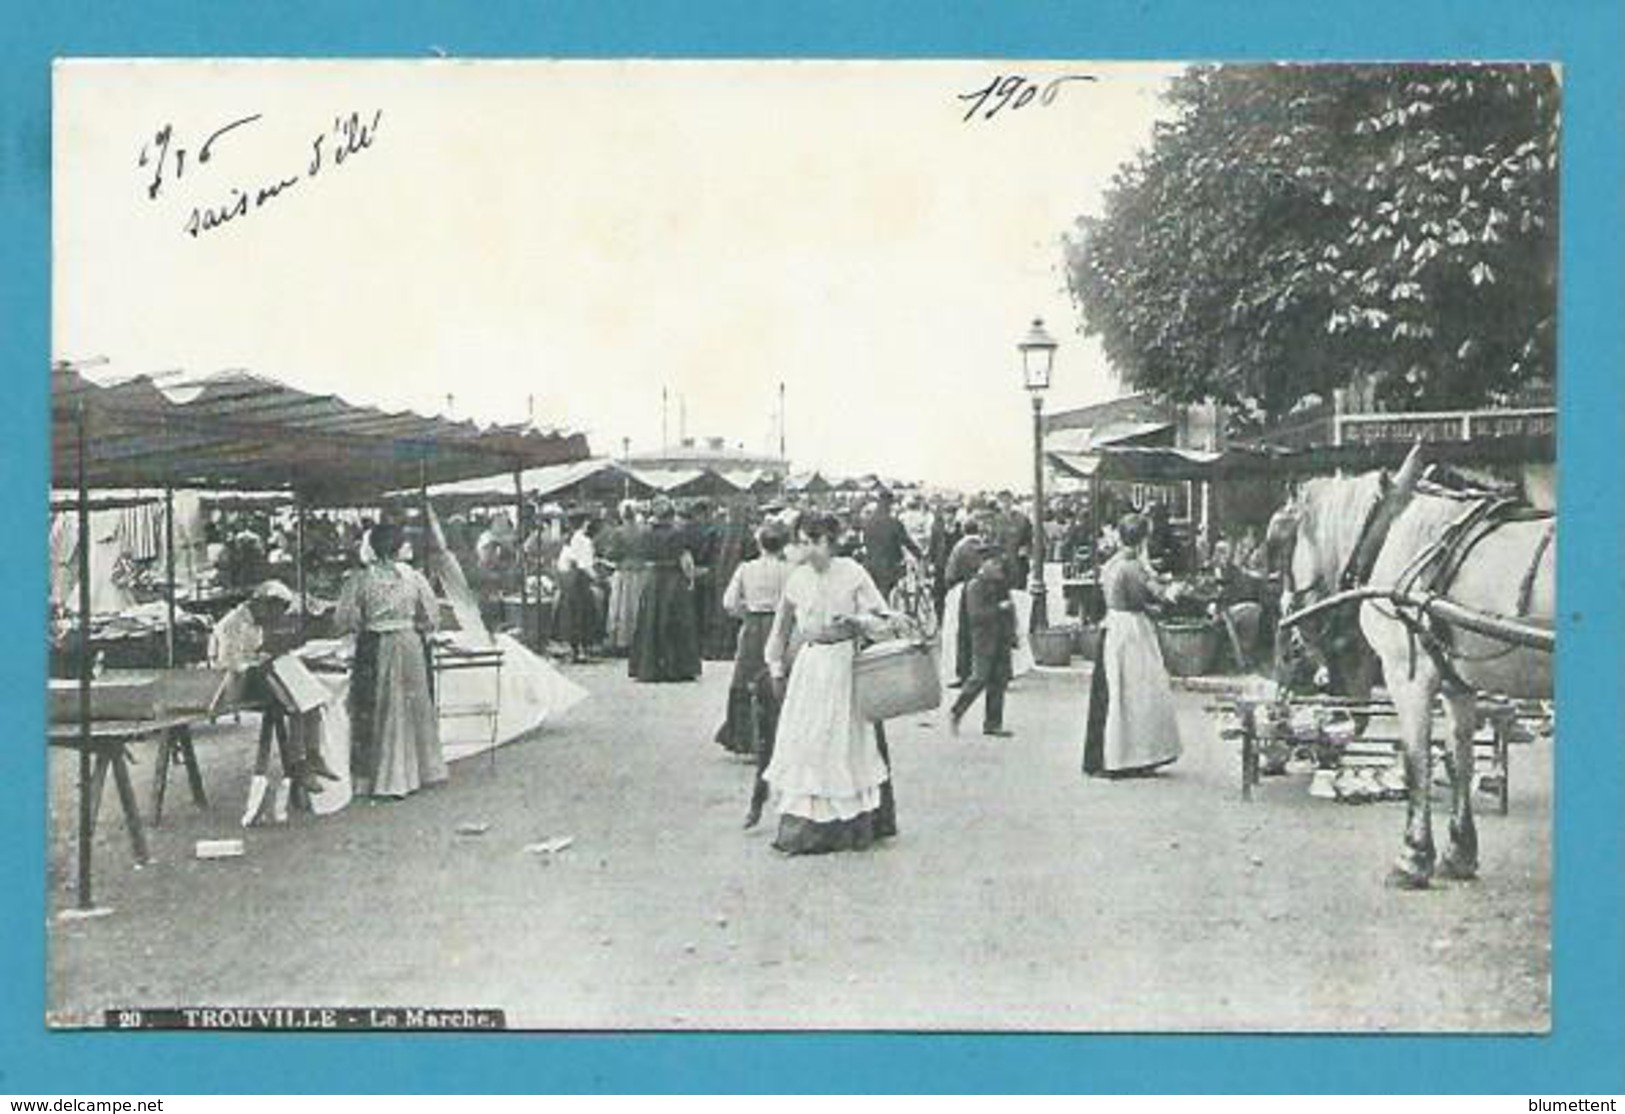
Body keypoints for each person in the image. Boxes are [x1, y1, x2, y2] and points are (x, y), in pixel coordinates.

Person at [762, 513, 897, 855]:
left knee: (843, 740)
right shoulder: (797, 579)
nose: (806, 549)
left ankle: (850, 826)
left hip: (844, 664)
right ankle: (806, 828)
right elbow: (780, 628)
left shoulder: (852, 572)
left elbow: (884, 618)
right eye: (802, 542)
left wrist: (856, 620)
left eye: (812, 541)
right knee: (808, 739)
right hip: (811, 666)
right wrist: (776, 667)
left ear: (828, 541)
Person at [336, 523, 446, 799]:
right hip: (409, 643)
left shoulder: (360, 579)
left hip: (376, 643)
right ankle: (419, 772)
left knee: (382, 708)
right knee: (410, 705)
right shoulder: (413, 577)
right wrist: (413, 623)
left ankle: (384, 778)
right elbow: (432, 616)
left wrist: (368, 622)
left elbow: (344, 620)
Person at [210, 579, 336, 806]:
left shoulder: (256, 621)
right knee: (294, 699)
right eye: (274, 612)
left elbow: (256, 651)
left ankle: (314, 756)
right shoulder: (232, 624)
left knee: (306, 694)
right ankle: (298, 763)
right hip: (235, 684)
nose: (274, 620)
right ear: (261, 603)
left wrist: (266, 658)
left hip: (254, 676)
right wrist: (260, 662)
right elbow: (228, 665)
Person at [1083, 513, 1184, 778]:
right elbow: (1153, 596)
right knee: (1140, 693)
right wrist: (1173, 592)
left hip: (1113, 626)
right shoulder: (1133, 566)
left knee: (1116, 691)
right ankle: (1134, 756)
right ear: (1142, 539)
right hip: (1132, 630)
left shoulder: (1113, 562)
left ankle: (1110, 755)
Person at [717, 522, 795, 825]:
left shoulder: (746, 568)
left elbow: (728, 602)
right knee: (779, 679)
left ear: (760, 543)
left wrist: (746, 611)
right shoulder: (790, 571)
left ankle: (745, 738)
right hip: (780, 626)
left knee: (746, 680)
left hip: (753, 624)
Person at [629, 498, 702, 682]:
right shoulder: (678, 534)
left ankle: (649, 666)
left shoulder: (645, 534)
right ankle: (677, 667)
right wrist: (690, 579)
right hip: (673, 578)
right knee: (675, 621)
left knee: (651, 621)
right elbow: (686, 560)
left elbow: (642, 558)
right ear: (671, 516)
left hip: (653, 578)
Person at [949, 558, 1017, 738]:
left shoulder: (1000, 585)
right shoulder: (975, 587)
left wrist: (1012, 634)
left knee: (998, 682)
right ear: (984, 566)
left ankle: (993, 723)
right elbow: (976, 616)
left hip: (1000, 639)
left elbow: (1011, 611)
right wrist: (998, 608)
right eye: (995, 565)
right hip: (984, 640)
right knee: (979, 677)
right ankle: (957, 710)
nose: (999, 569)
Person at [704, 501, 754, 661]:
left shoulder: (718, 530)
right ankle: (731, 647)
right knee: (735, 611)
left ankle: (717, 647)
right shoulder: (747, 534)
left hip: (720, 573)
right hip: (739, 575)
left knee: (719, 610)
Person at [860, 490, 923, 603]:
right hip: (889, 567)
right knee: (886, 598)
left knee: (875, 597)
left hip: (870, 565)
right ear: (890, 504)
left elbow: (865, 542)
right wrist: (919, 554)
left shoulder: (868, 523)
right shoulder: (894, 523)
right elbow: (907, 541)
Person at [555, 515, 601, 663]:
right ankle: (582, 649)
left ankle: (573, 648)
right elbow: (586, 565)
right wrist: (596, 577)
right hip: (580, 580)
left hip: (568, 580)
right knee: (583, 614)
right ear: (584, 524)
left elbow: (562, 565)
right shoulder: (585, 541)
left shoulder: (569, 541)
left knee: (570, 614)